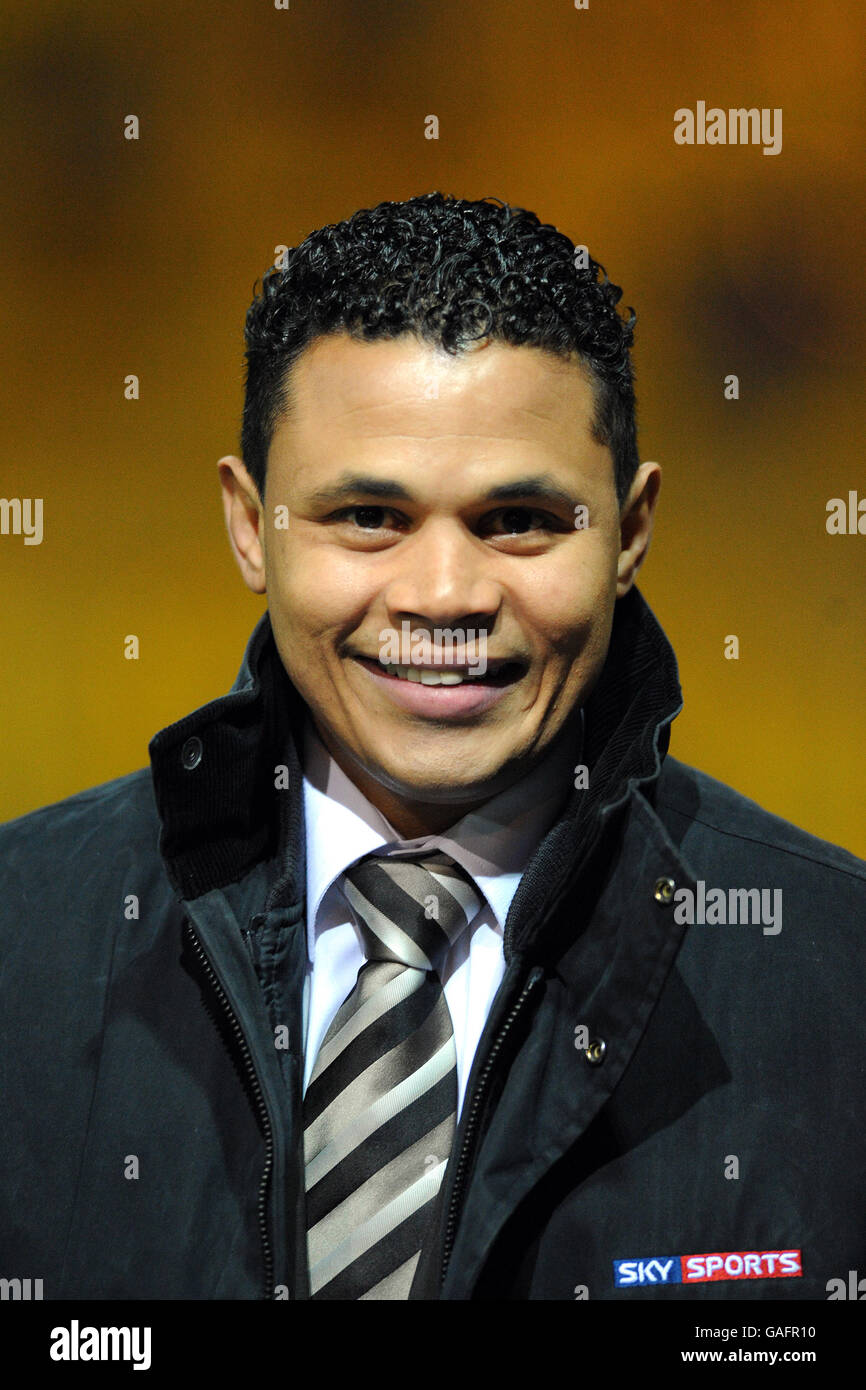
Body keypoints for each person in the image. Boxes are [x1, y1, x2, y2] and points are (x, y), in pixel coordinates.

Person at [1, 192, 863, 1302]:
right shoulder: (22, 939)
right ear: (247, 524)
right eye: (367, 515)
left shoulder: (837, 981)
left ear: (631, 531)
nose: (443, 595)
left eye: (516, 519)